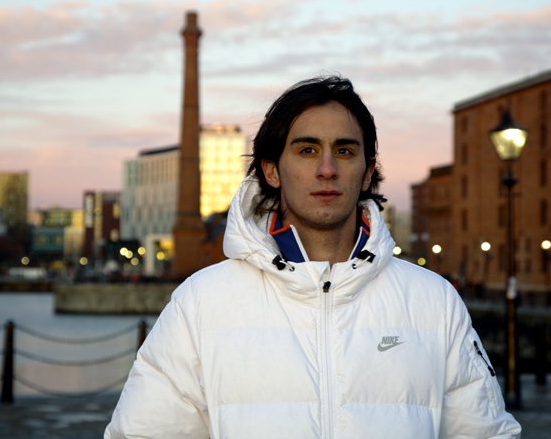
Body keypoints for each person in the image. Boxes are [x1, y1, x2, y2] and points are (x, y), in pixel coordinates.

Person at [105, 76, 521, 438]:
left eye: (344, 151)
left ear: (368, 171)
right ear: (271, 170)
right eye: (307, 150)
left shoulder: (433, 302)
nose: (326, 169)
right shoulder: (201, 303)